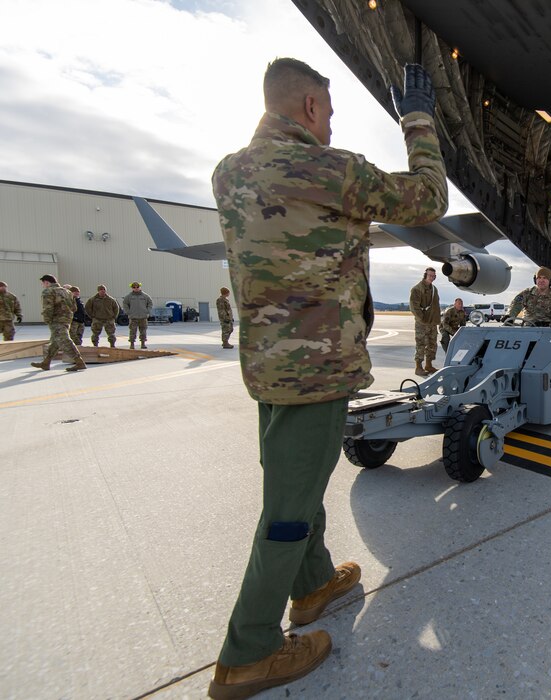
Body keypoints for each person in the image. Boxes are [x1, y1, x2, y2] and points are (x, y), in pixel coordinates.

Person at [208, 57, 447, 699]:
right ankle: (248, 651)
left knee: (299, 479)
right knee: (287, 508)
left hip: (269, 370)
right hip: (318, 370)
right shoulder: (330, 170)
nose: (333, 125)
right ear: (311, 106)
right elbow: (428, 197)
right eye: (332, 112)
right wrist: (418, 120)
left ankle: (312, 585)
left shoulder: (229, 172)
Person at [30, 275, 86, 372]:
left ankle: (79, 361)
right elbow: (74, 308)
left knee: (64, 340)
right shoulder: (67, 291)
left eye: (43, 283)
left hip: (56, 320)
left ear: (47, 282)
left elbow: (48, 308)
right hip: (67, 320)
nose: (43, 286)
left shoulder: (48, 291)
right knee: (55, 341)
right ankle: (46, 362)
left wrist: (47, 319)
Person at [409, 267, 441, 376]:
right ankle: (418, 367)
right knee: (421, 344)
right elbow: (414, 307)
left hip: (432, 322)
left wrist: (436, 320)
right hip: (422, 322)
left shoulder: (434, 289)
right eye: (430, 275)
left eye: (433, 276)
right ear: (425, 275)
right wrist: (422, 318)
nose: (432, 277)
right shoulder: (417, 289)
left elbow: (436, 305)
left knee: (432, 344)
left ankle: (429, 365)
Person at [122, 281, 153, 349]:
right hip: (133, 318)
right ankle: (132, 344)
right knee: (132, 331)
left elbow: (150, 303)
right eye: (134, 287)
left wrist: (147, 311)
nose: (136, 288)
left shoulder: (145, 296)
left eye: (137, 287)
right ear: (132, 288)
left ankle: (143, 344)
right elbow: (125, 304)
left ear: (140, 287)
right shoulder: (128, 296)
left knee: (143, 331)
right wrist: (128, 312)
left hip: (143, 317)